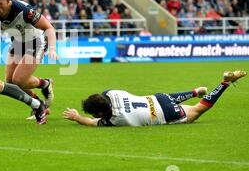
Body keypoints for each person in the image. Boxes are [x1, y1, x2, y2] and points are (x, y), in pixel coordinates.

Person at [63, 70, 247, 127]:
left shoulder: (115, 120)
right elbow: (103, 98)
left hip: (162, 113)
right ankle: (194, 91)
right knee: (169, 98)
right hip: (157, 98)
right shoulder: (111, 92)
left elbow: (91, 122)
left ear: (101, 112)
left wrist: (77, 117)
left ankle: (224, 83)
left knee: (198, 110)